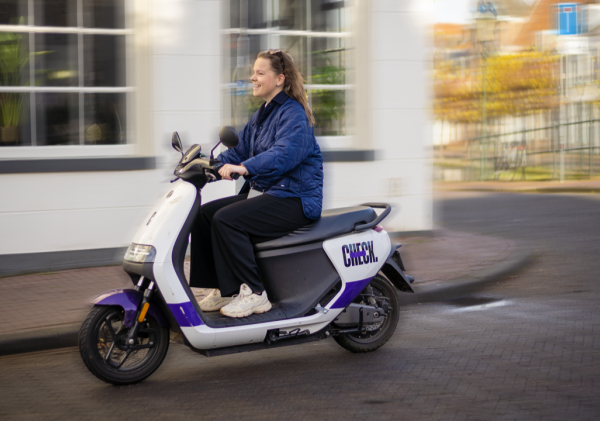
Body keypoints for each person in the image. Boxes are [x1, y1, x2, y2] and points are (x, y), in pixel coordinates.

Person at [189, 49, 323, 318]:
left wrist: (244, 168)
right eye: (254, 72)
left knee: (227, 220)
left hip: (295, 198)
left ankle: (255, 293)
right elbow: (239, 150)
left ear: (279, 79)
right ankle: (224, 288)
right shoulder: (262, 114)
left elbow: (283, 154)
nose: (252, 77)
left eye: (260, 73)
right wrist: (207, 163)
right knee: (204, 216)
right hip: (270, 192)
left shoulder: (294, 114)